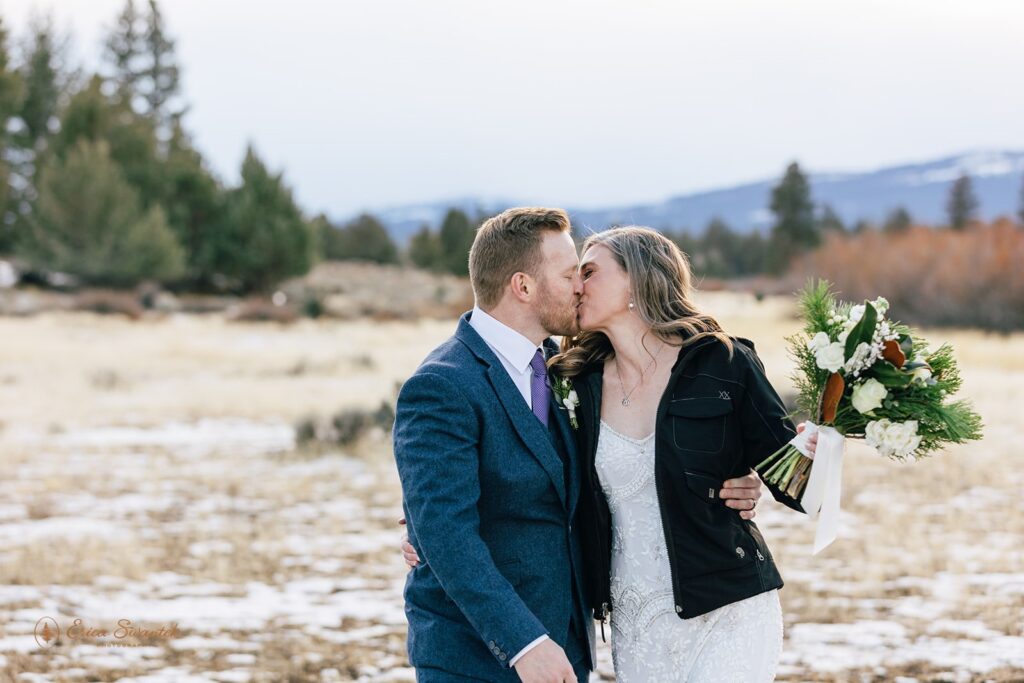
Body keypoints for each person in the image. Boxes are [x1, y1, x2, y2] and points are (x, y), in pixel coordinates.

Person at [393, 209, 766, 683]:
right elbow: (446, 532)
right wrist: (522, 642)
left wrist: (727, 477)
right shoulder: (443, 384)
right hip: (478, 658)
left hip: (566, 648)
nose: (580, 286)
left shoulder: (568, 371)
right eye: (571, 274)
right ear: (523, 287)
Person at [553, 226, 813, 681]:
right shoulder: (575, 384)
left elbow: (795, 486)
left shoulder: (723, 362)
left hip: (727, 609)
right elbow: (522, 468)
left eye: (590, 272)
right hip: (636, 624)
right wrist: (427, 521)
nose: (577, 285)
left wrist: (818, 444)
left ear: (636, 279)